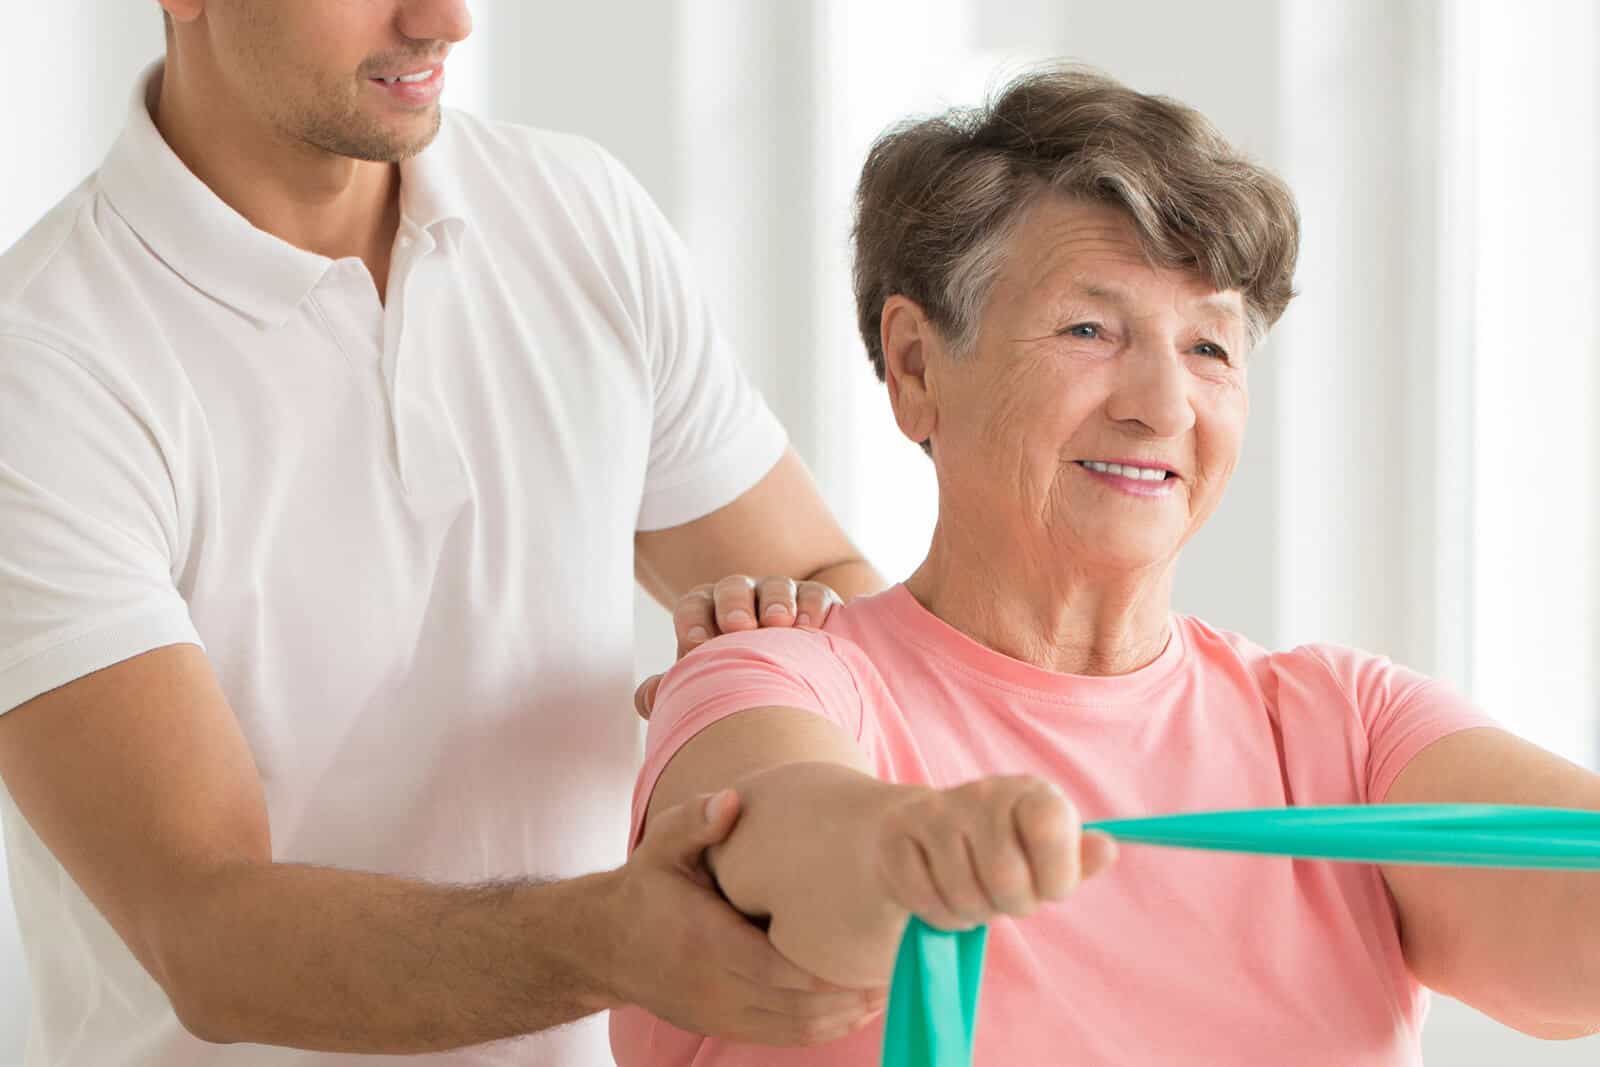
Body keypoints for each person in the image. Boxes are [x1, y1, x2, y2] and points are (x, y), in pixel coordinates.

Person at [610, 66, 1600, 1066]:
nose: (1161, 405)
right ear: (915, 364)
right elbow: (777, 864)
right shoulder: (776, 669)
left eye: (1209, 348)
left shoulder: (1344, 728)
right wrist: (910, 845)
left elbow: (1575, 932)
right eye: (1089, 329)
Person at [0, 2, 890, 1065]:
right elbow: (208, 929)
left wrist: (776, 675)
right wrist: (618, 940)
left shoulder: (578, 214)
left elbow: (823, 585)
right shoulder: (43, 364)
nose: (445, 20)